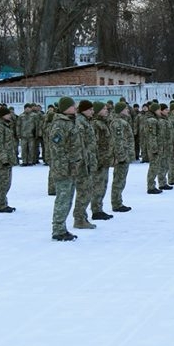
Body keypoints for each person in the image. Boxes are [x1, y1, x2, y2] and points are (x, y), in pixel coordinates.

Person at [46, 96, 80, 241]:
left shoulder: (70, 122)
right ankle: (58, 229)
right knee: (63, 199)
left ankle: (62, 227)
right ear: (66, 107)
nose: (75, 108)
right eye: (73, 106)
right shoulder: (60, 124)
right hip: (63, 168)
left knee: (68, 198)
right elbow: (57, 149)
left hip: (71, 166)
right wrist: (65, 165)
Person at [72, 100, 98, 230]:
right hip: (83, 163)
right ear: (83, 110)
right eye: (90, 109)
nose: (92, 111)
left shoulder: (86, 121)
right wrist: (85, 162)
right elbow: (80, 145)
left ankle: (82, 217)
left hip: (88, 160)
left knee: (87, 191)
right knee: (84, 192)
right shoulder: (80, 123)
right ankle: (79, 219)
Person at [0, 104, 18, 213]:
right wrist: (4, 159)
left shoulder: (6, 125)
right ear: (2, 115)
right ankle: (0, 204)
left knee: (7, 182)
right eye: (7, 114)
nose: (10, 116)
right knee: (3, 182)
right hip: (3, 160)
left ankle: (3, 202)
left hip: (8, 158)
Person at [90, 102, 114, 222]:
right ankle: (96, 210)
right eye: (104, 109)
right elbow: (94, 144)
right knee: (98, 185)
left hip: (105, 159)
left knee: (103, 185)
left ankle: (99, 208)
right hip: (99, 159)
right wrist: (97, 159)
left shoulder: (104, 122)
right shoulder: (95, 124)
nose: (106, 110)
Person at [109, 101, 134, 213]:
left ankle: (118, 201)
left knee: (121, 180)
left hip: (125, 154)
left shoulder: (122, 121)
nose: (127, 110)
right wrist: (121, 156)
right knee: (118, 180)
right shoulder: (118, 123)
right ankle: (116, 203)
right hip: (122, 156)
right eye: (125, 109)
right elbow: (118, 141)